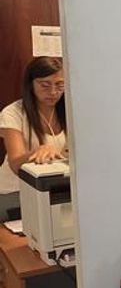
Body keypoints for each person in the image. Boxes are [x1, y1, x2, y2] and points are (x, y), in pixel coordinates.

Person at [0, 57, 68, 216]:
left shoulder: (69, 111)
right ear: (31, 84)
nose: (53, 92)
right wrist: (36, 152)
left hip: (55, 191)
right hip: (14, 192)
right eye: (45, 85)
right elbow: (15, 163)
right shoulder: (13, 112)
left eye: (60, 85)